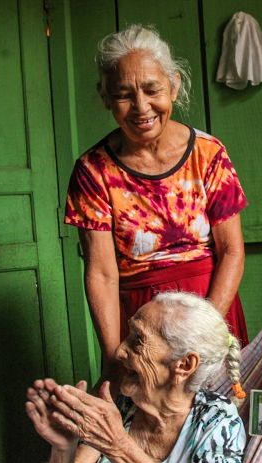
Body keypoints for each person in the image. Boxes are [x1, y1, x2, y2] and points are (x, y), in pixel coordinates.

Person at [64, 24, 249, 397]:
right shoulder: (93, 171)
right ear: (105, 97)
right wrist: (114, 353)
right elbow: (101, 273)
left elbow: (231, 251)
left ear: (174, 86)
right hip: (141, 326)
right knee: (146, 431)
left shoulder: (209, 155)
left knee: (218, 428)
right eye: (124, 95)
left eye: (152, 90)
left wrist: (203, 330)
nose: (142, 107)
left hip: (211, 309)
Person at [25, 292, 246, 463]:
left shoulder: (215, 419)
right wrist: (63, 448)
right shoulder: (120, 407)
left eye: (138, 340)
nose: (120, 351)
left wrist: (118, 446)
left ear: (184, 365)